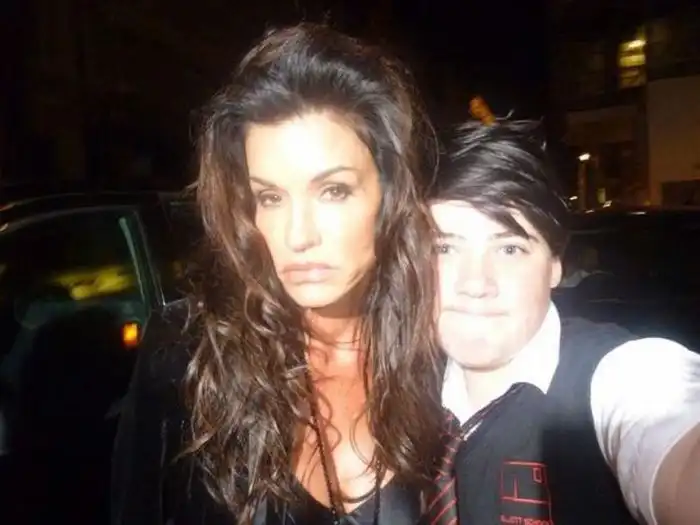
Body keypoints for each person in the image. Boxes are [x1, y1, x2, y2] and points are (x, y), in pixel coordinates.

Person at [111, 23, 448, 525]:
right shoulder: (188, 358)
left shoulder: (450, 350)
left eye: (333, 191)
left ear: (391, 194)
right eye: (270, 197)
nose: (297, 235)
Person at [430, 119, 700, 525]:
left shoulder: (618, 376)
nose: (476, 283)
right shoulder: (392, 380)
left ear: (555, 266)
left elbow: (669, 422)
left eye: (509, 249)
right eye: (445, 248)